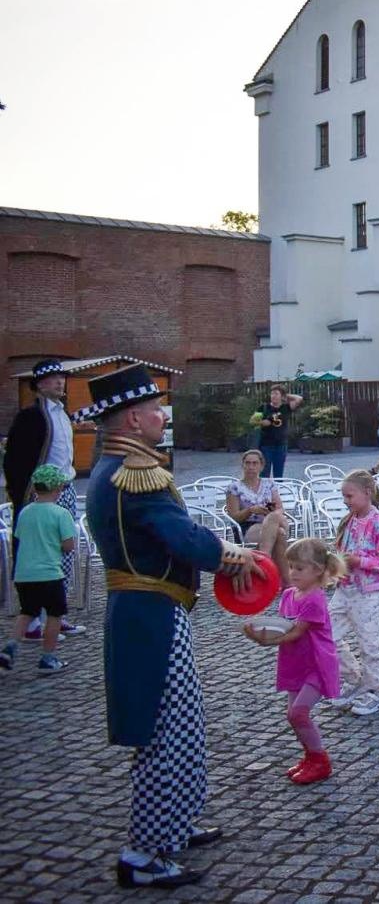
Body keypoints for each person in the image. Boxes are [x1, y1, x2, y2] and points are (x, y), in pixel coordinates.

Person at [79, 365, 262, 889]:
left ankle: (174, 823)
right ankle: (143, 852)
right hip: (149, 614)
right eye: (156, 409)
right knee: (166, 733)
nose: (164, 416)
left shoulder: (114, 467)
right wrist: (239, 557)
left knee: (181, 725)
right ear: (134, 420)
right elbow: (183, 539)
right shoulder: (135, 474)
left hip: (149, 609)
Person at [242, 537, 344, 785]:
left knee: (299, 712)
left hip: (316, 664)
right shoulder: (289, 595)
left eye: (299, 568)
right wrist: (260, 631)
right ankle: (310, 756)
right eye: (290, 567)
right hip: (296, 662)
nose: (293, 572)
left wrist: (265, 640)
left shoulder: (315, 598)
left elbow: (297, 631)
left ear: (317, 570)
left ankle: (320, 760)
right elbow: (283, 626)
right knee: (293, 715)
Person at [4, 358, 85, 639]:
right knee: (40, 554)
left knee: (65, 551)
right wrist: (26, 495)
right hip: (41, 494)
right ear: (39, 385)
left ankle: (55, 614)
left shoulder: (63, 413)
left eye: (62, 377)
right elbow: (15, 459)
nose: (60, 382)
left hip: (66, 487)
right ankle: (34, 619)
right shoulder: (32, 416)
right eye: (53, 379)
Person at [327, 471, 379, 717]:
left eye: (349, 496)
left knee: (369, 642)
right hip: (345, 589)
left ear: (367, 493)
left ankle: (376, 690)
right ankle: (355, 679)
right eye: (344, 496)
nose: (345, 501)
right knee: (326, 634)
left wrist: (358, 561)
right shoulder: (350, 520)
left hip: (369, 593)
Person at [0, 464, 76, 673]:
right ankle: (48, 658)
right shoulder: (61, 514)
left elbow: (19, 536)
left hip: (24, 574)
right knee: (54, 615)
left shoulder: (25, 512)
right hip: (49, 573)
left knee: (27, 612)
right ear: (58, 488)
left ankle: (10, 647)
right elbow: (68, 545)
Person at [225, 450, 291, 575]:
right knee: (280, 532)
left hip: (269, 521)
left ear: (261, 466)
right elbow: (234, 516)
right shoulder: (234, 487)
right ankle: (283, 576)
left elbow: (279, 508)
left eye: (255, 463)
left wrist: (269, 511)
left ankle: (265, 561)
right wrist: (250, 510)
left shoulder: (269, 484)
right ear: (243, 465)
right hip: (247, 526)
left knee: (275, 521)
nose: (251, 467)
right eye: (247, 463)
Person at [251, 384, 304, 478]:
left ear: (281, 396)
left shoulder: (286, 408)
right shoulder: (264, 407)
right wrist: (263, 422)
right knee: (264, 474)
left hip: (281, 445)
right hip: (266, 445)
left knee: (279, 474)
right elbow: (253, 421)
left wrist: (286, 395)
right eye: (272, 394)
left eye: (276, 394)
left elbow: (299, 398)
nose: (273, 396)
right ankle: (265, 488)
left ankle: (278, 488)